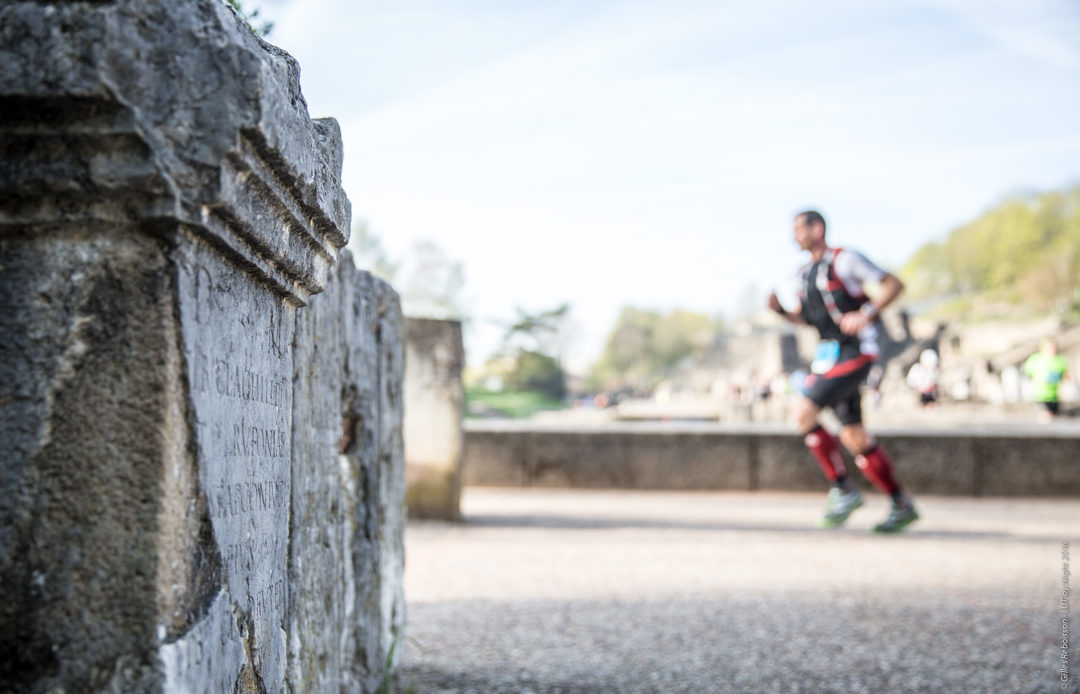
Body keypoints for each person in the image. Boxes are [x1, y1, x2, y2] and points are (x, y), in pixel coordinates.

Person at [767, 210, 918, 533]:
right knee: (854, 436)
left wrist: (867, 312)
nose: (794, 236)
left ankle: (844, 490)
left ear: (817, 228)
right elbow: (809, 319)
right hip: (830, 356)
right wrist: (781, 312)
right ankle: (901, 504)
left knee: (803, 413)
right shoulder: (803, 273)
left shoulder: (845, 260)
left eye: (799, 229)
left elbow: (892, 284)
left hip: (855, 353)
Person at [1023, 339, 1070, 421]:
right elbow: (1026, 373)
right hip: (1041, 395)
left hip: (1055, 395)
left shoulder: (1060, 360)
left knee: (1055, 418)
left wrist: (1059, 377)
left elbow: (1066, 375)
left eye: (1053, 347)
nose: (1052, 349)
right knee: (1045, 417)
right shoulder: (1035, 359)